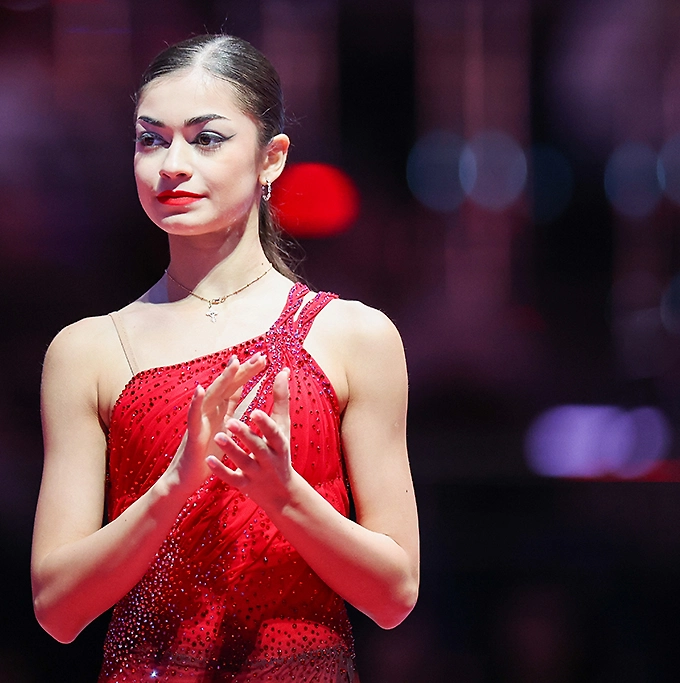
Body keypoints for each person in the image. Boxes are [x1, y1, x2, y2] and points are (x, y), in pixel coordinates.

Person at [31, 34, 418, 682]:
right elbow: (57, 608)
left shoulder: (354, 337)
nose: (172, 165)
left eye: (206, 138)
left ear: (272, 158)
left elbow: (394, 593)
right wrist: (175, 486)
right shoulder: (88, 351)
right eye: (151, 140)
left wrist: (283, 494)